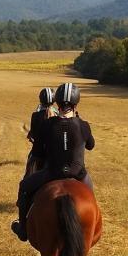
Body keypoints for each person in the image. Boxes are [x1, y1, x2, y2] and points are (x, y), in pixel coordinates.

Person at [11, 82, 95, 242]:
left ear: (57, 102)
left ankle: (22, 228)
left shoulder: (47, 125)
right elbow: (91, 145)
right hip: (78, 174)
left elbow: (37, 153)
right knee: (91, 198)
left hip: (51, 173)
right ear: (76, 103)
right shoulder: (83, 125)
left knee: (24, 187)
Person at [24, 87, 56, 176]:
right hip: (55, 154)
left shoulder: (35, 115)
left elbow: (33, 135)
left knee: (26, 181)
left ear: (40, 99)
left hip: (39, 154)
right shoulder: (58, 114)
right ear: (54, 101)